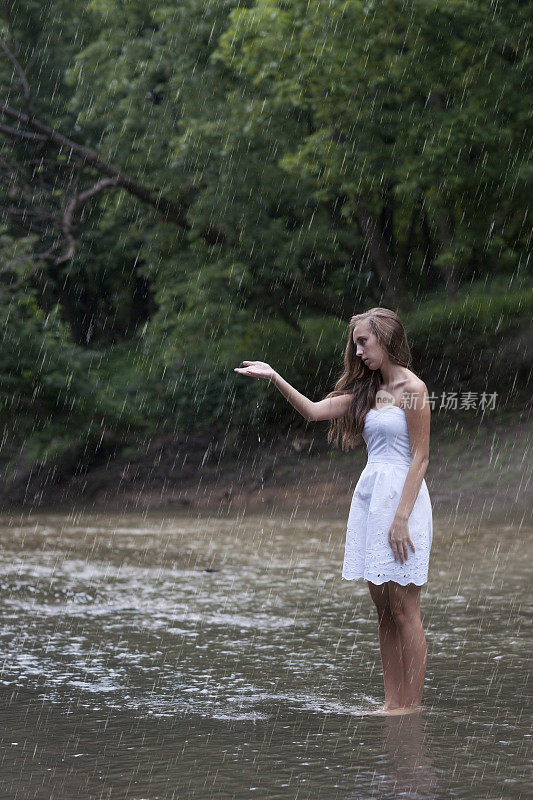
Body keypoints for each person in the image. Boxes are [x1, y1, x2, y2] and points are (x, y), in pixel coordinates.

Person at [234, 307, 433, 716]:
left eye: (364, 341)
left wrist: (400, 517)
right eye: (355, 343)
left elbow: (421, 458)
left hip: (403, 504)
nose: (357, 351)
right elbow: (311, 410)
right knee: (383, 612)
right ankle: (392, 704)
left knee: (405, 609)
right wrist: (274, 376)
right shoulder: (367, 392)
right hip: (369, 501)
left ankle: (412, 707)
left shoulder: (413, 388)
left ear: (386, 338)